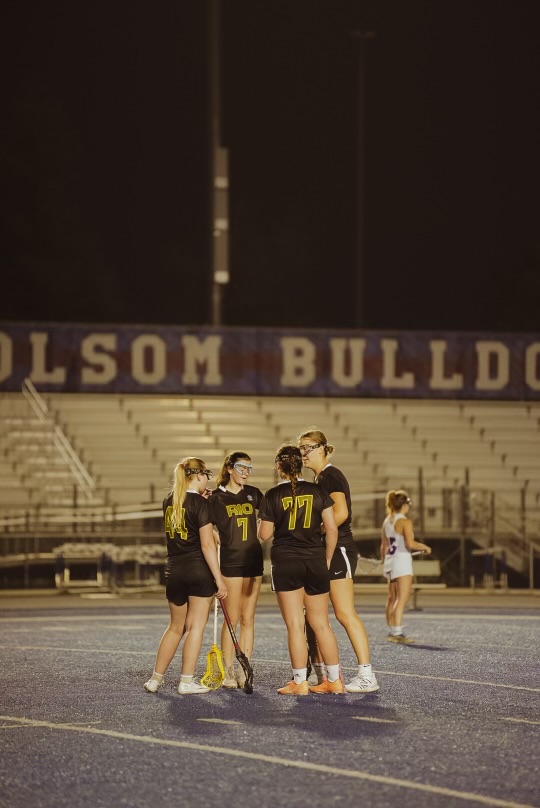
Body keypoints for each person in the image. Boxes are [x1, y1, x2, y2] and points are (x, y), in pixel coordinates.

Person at [298, 428, 379, 694]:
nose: (303, 453)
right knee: (314, 615)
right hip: (324, 551)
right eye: (301, 448)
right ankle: (325, 674)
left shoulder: (330, 476)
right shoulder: (320, 478)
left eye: (307, 447)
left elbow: (341, 513)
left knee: (344, 613)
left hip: (339, 548)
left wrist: (315, 531)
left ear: (322, 448)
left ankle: (367, 674)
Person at [258, 444, 344, 695]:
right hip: (315, 560)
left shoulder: (273, 494)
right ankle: (334, 680)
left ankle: (299, 682)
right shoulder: (317, 490)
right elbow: (332, 528)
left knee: (296, 625)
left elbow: (264, 535)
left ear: (279, 467)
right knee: (322, 624)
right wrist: (326, 559)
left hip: (286, 562)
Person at [144, 457, 227, 695]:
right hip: (198, 570)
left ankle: (155, 679)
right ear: (199, 475)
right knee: (195, 628)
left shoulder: (169, 501)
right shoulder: (201, 505)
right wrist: (219, 579)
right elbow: (207, 546)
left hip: (174, 570)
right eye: (206, 476)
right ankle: (186, 681)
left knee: (175, 627)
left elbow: (187, 520)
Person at [209, 451, 263, 688]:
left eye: (249, 468)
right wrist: (212, 532)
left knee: (248, 618)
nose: (246, 472)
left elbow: (270, 518)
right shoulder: (216, 498)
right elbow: (204, 525)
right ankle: (228, 669)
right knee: (231, 620)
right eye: (241, 467)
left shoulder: (254, 494)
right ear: (229, 468)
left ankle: (244, 667)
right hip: (230, 563)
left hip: (253, 562)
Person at [381, 489, 431, 643]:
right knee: (402, 598)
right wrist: (425, 547)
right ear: (405, 505)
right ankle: (397, 632)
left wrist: (385, 560)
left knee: (392, 598)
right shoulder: (405, 522)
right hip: (402, 562)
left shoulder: (387, 521)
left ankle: (392, 630)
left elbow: (383, 547)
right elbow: (410, 543)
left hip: (390, 561)